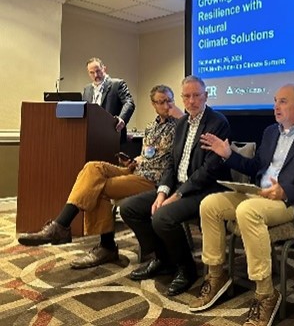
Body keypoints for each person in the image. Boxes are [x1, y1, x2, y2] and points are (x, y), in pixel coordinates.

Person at [189, 84, 294, 326]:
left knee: (247, 211)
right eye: (275, 100)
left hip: (289, 202)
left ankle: (266, 293)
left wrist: (286, 190)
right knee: (210, 204)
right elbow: (255, 167)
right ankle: (217, 275)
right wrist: (228, 154)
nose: (276, 106)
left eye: (283, 101)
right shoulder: (270, 132)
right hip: (258, 195)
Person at [17, 84, 182, 269]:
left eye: (170, 101)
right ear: (153, 104)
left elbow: (180, 151)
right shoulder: (151, 127)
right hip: (137, 169)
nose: (167, 105)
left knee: (97, 189)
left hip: (154, 179)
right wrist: (134, 161)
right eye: (161, 102)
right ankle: (62, 226)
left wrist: (180, 115)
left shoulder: (180, 125)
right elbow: (149, 154)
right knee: (92, 167)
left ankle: (99, 243)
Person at [119, 76, 231, 297]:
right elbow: (172, 162)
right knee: (129, 208)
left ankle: (186, 269)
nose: (191, 101)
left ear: (206, 96)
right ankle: (163, 259)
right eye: (187, 96)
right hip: (179, 186)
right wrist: (162, 192)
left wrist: (178, 195)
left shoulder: (218, 122)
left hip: (206, 190)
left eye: (196, 95)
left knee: (163, 217)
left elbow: (208, 170)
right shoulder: (181, 124)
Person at [82, 57, 135, 144]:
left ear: (104, 69)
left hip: (113, 135)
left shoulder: (117, 84)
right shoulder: (87, 89)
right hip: (92, 137)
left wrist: (122, 119)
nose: (96, 75)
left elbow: (129, 103)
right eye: (92, 72)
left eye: (98, 71)